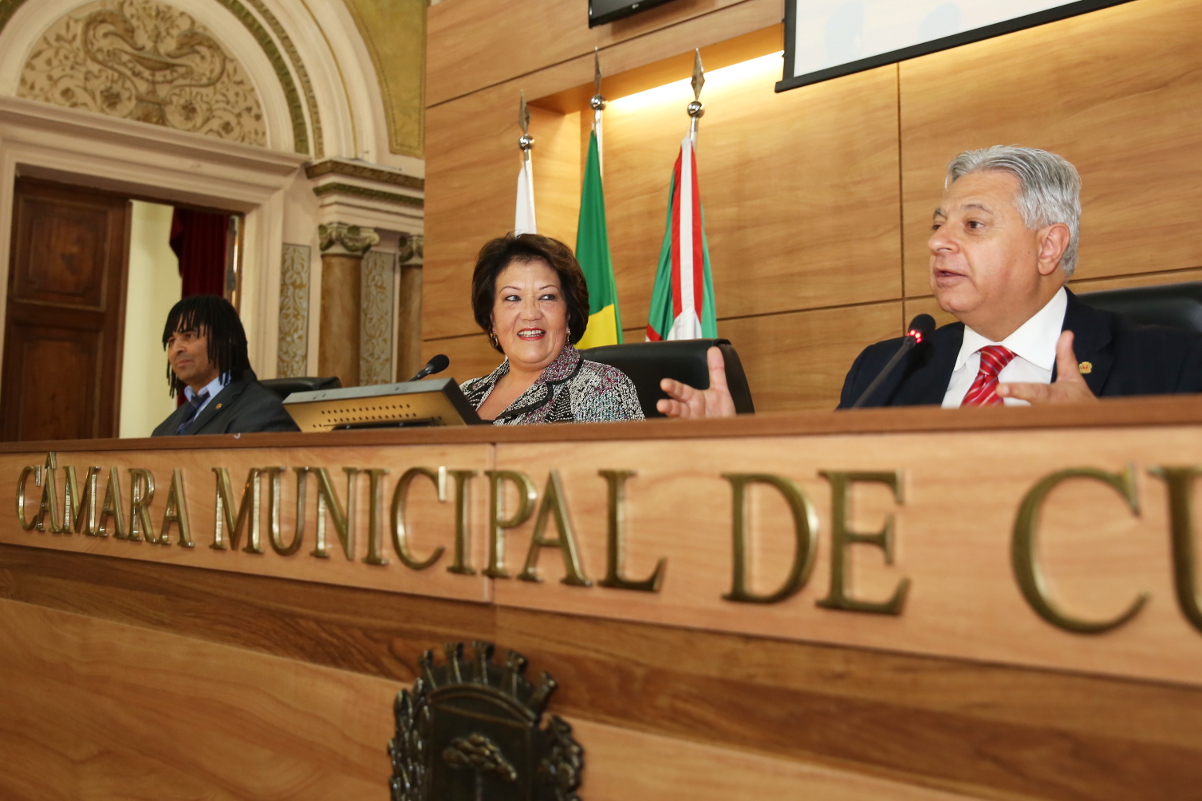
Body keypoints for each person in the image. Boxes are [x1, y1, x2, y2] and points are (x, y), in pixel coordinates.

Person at [659, 145, 1202, 417]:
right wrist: (730, 444)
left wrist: (1111, 449)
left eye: (973, 224)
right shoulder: (885, 370)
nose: (939, 242)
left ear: (1048, 247)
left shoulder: (1171, 366)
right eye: (939, 224)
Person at [460, 233, 644, 424]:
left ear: (568, 314)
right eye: (513, 298)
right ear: (492, 320)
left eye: (547, 297)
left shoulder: (601, 387)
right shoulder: (464, 395)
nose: (530, 314)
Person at [151, 295, 300, 436]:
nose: (176, 349)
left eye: (188, 336)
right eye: (171, 341)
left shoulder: (264, 410)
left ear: (225, 340)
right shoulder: (164, 430)